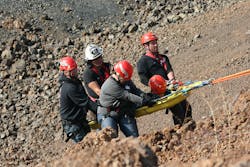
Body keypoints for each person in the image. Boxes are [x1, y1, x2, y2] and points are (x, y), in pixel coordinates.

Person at [137, 32, 193, 126]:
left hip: (171, 86)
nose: (156, 45)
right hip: (160, 90)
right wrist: (157, 84)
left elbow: (169, 70)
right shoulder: (143, 62)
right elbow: (143, 79)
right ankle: (182, 130)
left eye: (156, 42)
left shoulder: (163, 58)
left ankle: (187, 127)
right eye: (153, 43)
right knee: (178, 111)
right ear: (146, 46)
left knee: (187, 107)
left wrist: (171, 81)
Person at [97, 60, 155, 138]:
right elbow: (127, 96)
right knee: (110, 138)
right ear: (117, 74)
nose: (126, 81)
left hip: (122, 111)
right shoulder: (110, 85)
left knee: (134, 137)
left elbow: (135, 90)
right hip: (108, 114)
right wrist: (143, 101)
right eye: (124, 79)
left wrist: (145, 96)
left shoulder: (125, 79)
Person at [59, 56, 97, 143]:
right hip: (73, 124)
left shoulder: (74, 81)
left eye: (75, 69)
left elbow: (85, 98)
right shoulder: (69, 87)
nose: (75, 72)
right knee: (86, 149)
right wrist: (101, 109)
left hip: (79, 120)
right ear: (64, 71)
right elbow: (85, 102)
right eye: (71, 71)